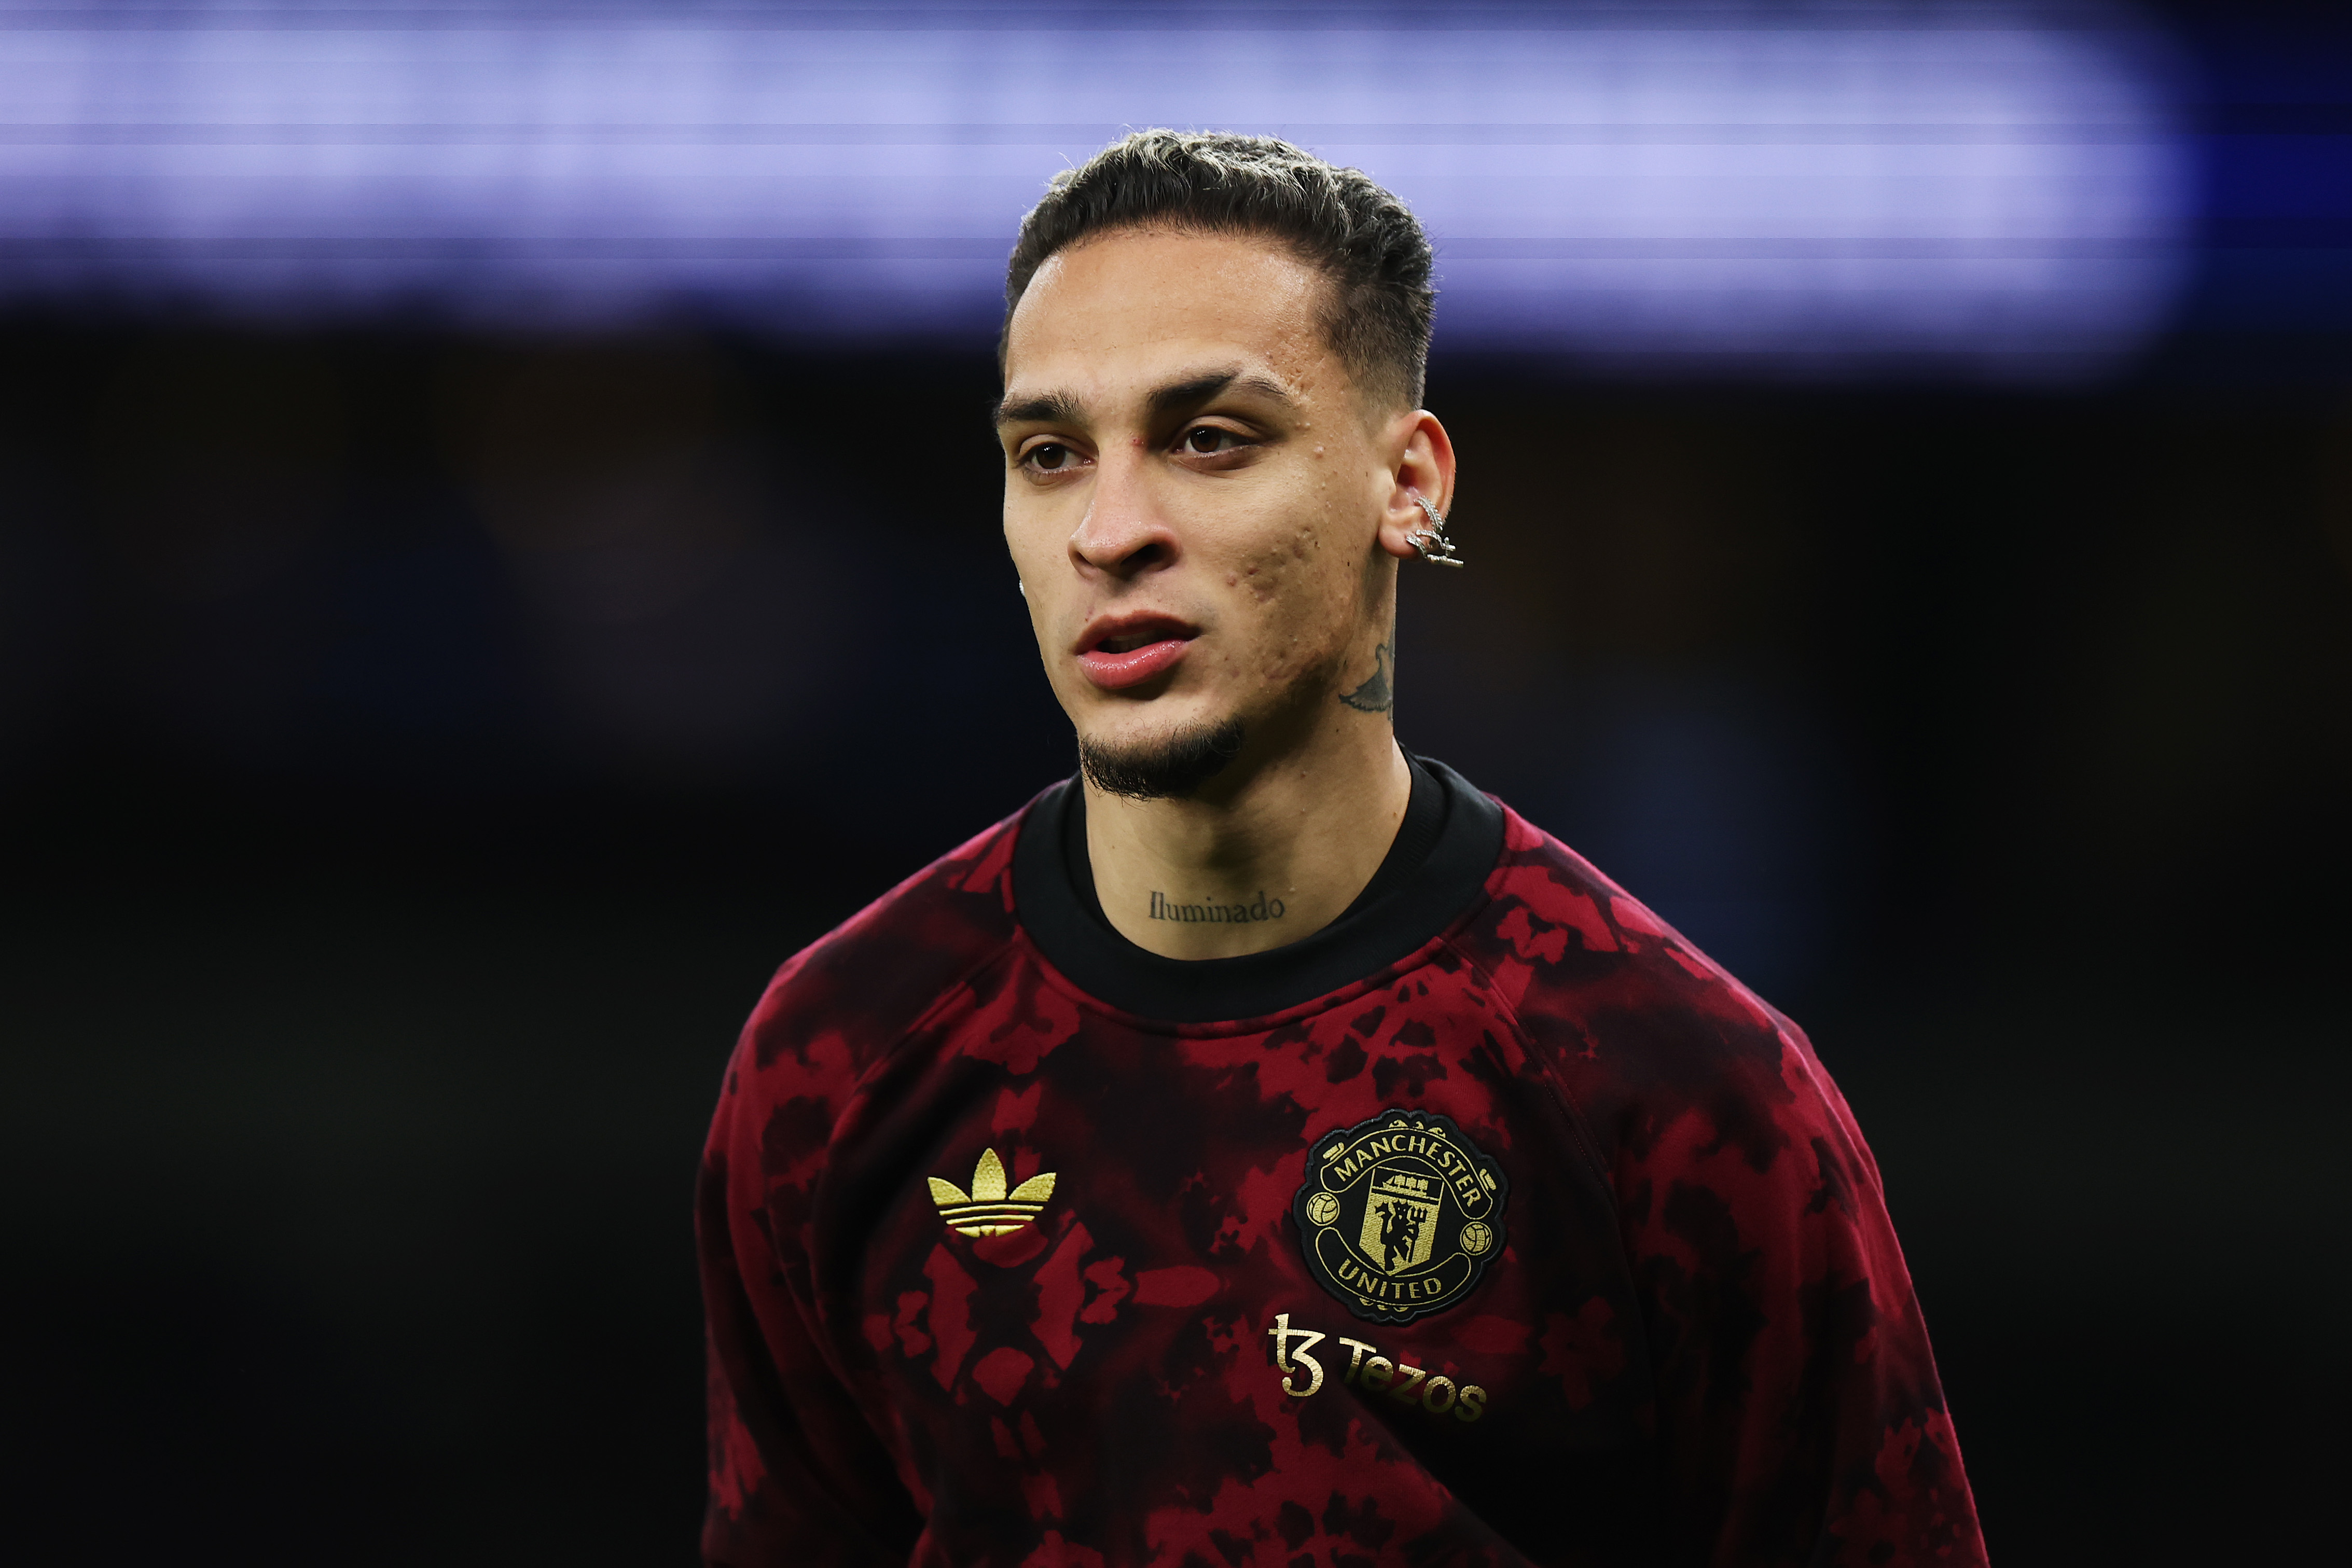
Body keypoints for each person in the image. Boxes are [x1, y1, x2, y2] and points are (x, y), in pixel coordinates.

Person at [698, 130, 1987, 1568]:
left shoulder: (1677, 1087)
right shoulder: (845, 1054)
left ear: (1409, 485)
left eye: (1209, 440)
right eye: (1051, 455)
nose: (1112, 531)